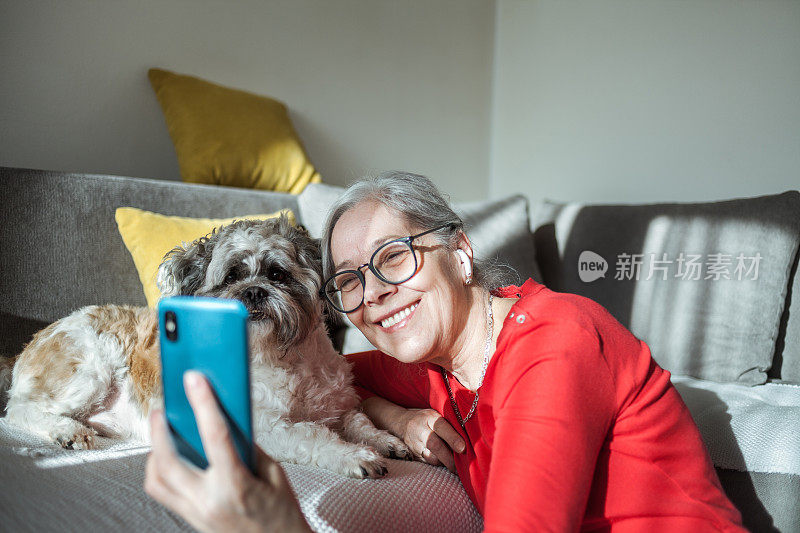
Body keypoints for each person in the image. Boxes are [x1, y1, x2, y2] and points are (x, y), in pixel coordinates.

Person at [145, 171, 747, 532]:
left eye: (393, 257)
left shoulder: (555, 343)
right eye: (350, 281)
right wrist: (398, 416)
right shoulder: (430, 367)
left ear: (458, 251)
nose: (375, 293)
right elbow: (331, 377)